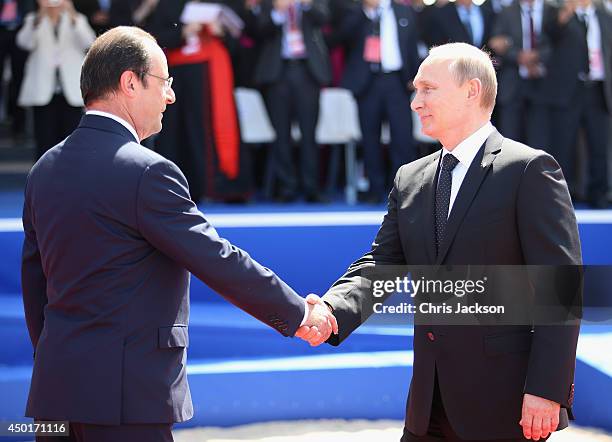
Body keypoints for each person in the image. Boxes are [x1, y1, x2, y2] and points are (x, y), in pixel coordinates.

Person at [21, 26, 336, 442]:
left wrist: (55, 357)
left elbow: (34, 284)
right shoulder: (147, 170)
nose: (170, 95)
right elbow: (216, 258)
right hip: (126, 398)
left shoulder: (45, 168)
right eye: (164, 81)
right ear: (130, 83)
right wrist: (299, 314)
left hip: (55, 395)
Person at [297, 43, 582, 442]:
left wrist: (547, 389)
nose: (415, 102)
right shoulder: (410, 178)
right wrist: (332, 309)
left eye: (428, 89)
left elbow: (560, 288)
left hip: (504, 404)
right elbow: (383, 263)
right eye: (415, 90)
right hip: (427, 402)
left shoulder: (529, 170)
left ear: (471, 90)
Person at [335, 0, 420, 203]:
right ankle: (374, 188)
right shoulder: (355, 12)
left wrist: (415, 76)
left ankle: (402, 190)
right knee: (369, 138)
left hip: (397, 82)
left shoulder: (403, 12)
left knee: (402, 137)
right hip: (368, 82)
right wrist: (367, 12)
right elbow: (341, 37)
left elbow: (411, 45)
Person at [252, 0, 332, 203]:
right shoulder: (269, 3)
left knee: (309, 134)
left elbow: (324, 19)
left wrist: (305, 4)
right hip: (278, 74)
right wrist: (278, 12)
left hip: (307, 71)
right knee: (281, 135)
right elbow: (259, 32)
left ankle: (311, 188)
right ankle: (286, 187)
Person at [541, 0, 611, 208]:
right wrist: (565, 15)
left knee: (599, 145)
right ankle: (562, 196)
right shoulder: (559, 14)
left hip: (598, 90)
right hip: (568, 91)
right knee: (563, 145)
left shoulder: (605, 17)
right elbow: (549, 36)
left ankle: (599, 194)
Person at [16, 0, 95, 160]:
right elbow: (24, 43)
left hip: (71, 92)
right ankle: (44, 180)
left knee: (72, 142)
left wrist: (72, 14)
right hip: (43, 91)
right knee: (44, 141)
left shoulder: (77, 19)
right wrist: (40, 16)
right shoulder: (33, 19)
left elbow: (89, 43)